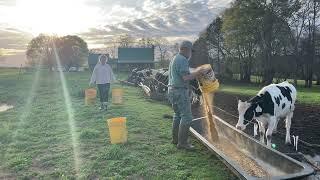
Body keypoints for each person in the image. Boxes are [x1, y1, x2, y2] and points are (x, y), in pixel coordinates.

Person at [168, 40, 208, 150]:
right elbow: (186, 77)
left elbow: (178, 78)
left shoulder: (174, 58)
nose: (191, 54)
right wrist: (199, 72)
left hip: (172, 90)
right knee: (187, 117)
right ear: (186, 49)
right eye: (191, 51)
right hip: (179, 92)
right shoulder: (182, 60)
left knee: (178, 115)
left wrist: (189, 86)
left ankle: (175, 139)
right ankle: (183, 143)